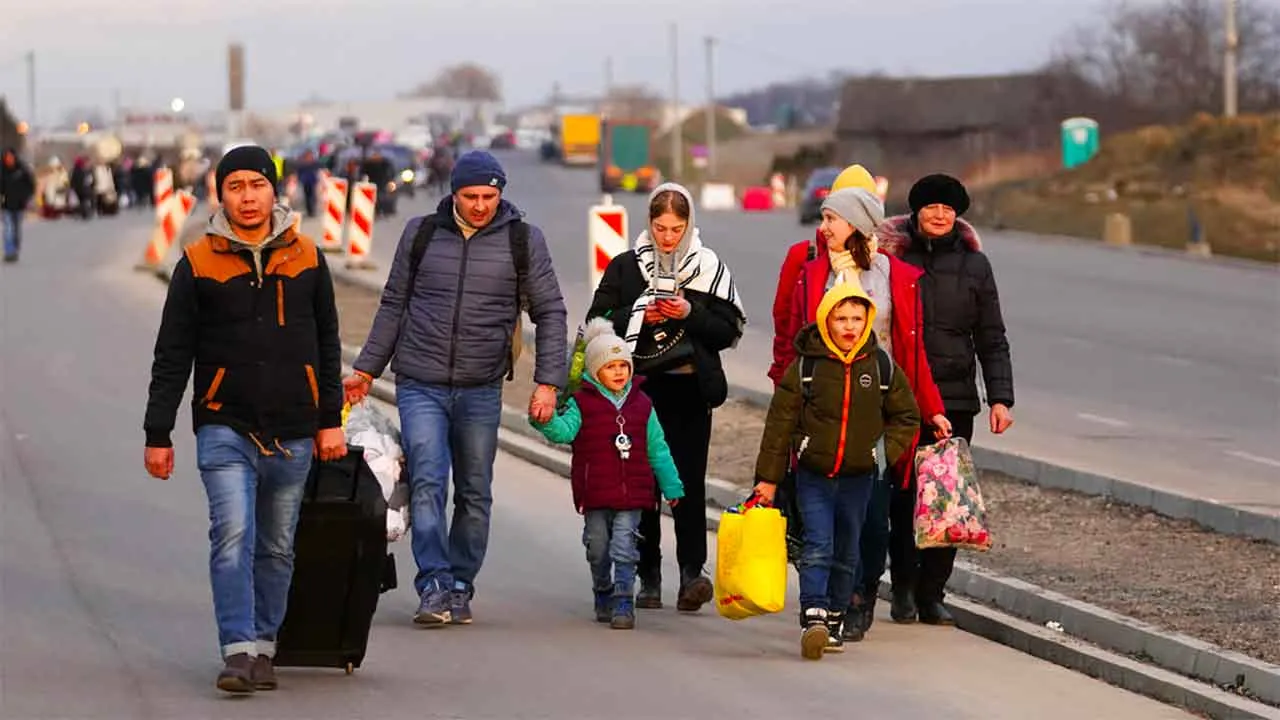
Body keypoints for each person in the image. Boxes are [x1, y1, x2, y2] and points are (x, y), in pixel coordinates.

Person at [143, 145, 346, 694]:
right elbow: (172, 353)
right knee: (232, 533)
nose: (247, 197)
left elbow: (329, 345)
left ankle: (263, 646)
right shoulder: (197, 262)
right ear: (221, 193)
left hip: (295, 431)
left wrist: (331, 420)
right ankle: (236, 650)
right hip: (224, 424)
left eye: (256, 185)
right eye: (236, 187)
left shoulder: (307, 255)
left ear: (273, 190)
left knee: (277, 545)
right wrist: (157, 433)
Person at [344, 150, 568, 627]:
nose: (481, 205)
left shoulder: (523, 241)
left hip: (480, 387)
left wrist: (549, 382)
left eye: (490, 196)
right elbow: (393, 304)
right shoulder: (422, 234)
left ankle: (462, 582)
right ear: (453, 193)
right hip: (419, 381)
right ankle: (434, 584)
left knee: (474, 489)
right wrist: (365, 370)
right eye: (471, 196)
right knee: (426, 480)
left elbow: (550, 313)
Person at [782, 186, 953, 640]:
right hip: (823, 412)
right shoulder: (815, 272)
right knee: (822, 522)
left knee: (873, 520)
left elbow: (911, 351)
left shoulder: (894, 275)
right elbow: (795, 341)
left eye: (830, 219)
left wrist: (931, 410)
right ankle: (830, 604)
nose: (823, 228)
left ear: (855, 223)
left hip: (877, 407)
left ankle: (860, 596)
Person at [587, 182, 746, 613]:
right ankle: (649, 575)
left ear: (689, 224)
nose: (668, 237)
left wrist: (690, 313)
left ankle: (693, 574)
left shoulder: (707, 267)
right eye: (660, 227)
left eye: (676, 228)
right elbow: (596, 322)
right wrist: (640, 311)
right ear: (649, 224)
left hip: (690, 389)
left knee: (688, 483)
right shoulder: (626, 268)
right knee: (643, 484)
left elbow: (728, 331)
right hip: (638, 390)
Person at [753, 282, 920, 659]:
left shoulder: (880, 366)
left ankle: (835, 617)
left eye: (857, 319)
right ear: (826, 320)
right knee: (817, 544)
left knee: (848, 549)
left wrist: (881, 455)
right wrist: (768, 478)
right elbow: (779, 424)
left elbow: (906, 416)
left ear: (868, 321)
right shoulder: (806, 367)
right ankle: (813, 614)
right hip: (814, 474)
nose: (849, 326)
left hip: (860, 477)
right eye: (841, 318)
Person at [876, 173, 1015, 626]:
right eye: (932, 207)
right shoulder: (893, 258)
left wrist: (1000, 398)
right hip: (902, 394)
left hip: (955, 399)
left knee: (948, 498)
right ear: (916, 211)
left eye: (948, 208)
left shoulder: (976, 265)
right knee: (903, 498)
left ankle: (933, 592)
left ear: (957, 214)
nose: (939, 215)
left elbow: (992, 336)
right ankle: (902, 591)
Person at [530, 318, 685, 630]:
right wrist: (543, 420)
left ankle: (623, 600)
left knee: (624, 546)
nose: (619, 372)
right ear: (594, 371)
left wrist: (672, 486)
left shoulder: (642, 404)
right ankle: (603, 590)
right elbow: (564, 431)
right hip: (596, 492)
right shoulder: (581, 403)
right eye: (611, 366)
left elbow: (658, 448)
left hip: (633, 494)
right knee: (598, 546)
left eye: (623, 366)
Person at [769, 164, 880, 385]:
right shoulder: (804, 255)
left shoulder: (883, 261)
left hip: (869, 382)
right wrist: (784, 377)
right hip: (816, 382)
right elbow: (784, 321)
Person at [1, 148, 35, 262]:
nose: (8, 160)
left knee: (16, 230)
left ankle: (15, 248)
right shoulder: (2, 171)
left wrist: (28, 198)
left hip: (20, 205)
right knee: (8, 230)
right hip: (6, 205)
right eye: (6, 158)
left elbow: (31, 185)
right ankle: (9, 252)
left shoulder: (23, 170)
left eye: (10, 158)